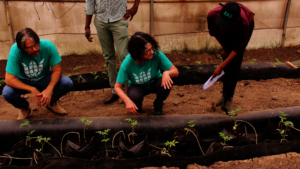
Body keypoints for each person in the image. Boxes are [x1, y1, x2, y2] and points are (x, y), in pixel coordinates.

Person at [2, 28, 73, 120]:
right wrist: (32, 89)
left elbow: (57, 70)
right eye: (29, 48)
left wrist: (49, 88)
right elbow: (9, 79)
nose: (35, 49)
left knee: (67, 83)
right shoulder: (15, 51)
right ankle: (24, 107)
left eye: (36, 44)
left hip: (44, 77)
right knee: (7, 93)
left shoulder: (48, 46)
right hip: (24, 80)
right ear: (22, 48)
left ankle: (52, 102)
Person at [85, 0, 140, 104]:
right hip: (101, 21)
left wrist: (135, 6)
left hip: (119, 19)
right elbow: (90, 3)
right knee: (108, 57)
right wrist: (87, 26)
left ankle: (130, 91)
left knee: (124, 56)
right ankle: (115, 91)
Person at [114, 32, 179, 115]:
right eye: (147, 51)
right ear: (137, 52)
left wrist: (167, 73)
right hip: (137, 86)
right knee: (134, 95)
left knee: (166, 83)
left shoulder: (157, 55)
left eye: (151, 48)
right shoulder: (128, 62)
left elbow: (176, 71)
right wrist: (127, 101)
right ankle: (138, 108)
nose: (152, 52)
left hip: (155, 83)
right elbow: (117, 87)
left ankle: (158, 106)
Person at [207, 1, 254, 113]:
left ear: (236, 21)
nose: (222, 28)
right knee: (227, 57)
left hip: (243, 29)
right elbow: (215, 33)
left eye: (226, 25)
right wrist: (225, 48)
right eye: (221, 23)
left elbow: (238, 49)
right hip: (231, 30)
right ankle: (224, 95)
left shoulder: (244, 24)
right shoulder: (212, 15)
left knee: (235, 61)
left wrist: (221, 66)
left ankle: (228, 99)